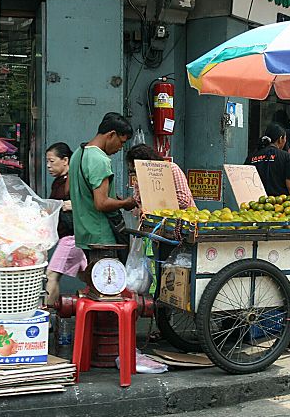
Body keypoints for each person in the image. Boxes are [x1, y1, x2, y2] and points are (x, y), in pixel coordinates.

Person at [69, 112, 137, 254]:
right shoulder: (100, 160)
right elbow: (101, 203)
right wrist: (125, 203)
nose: (120, 148)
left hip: (85, 235)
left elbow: (70, 189)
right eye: (122, 142)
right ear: (111, 134)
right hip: (103, 238)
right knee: (109, 275)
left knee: (93, 275)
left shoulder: (78, 153)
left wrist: (113, 197)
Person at [44, 142, 88, 306]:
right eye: (47, 161)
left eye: (52, 161)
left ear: (65, 160)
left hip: (72, 237)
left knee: (51, 275)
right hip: (69, 236)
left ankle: (46, 317)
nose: (48, 166)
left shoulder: (75, 180)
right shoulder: (58, 182)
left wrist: (76, 205)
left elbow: (94, 201)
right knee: (89, 276)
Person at [126, 143, 195, 210]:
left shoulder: (171, 169)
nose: (135, 174)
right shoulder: (139, 179)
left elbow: (183, 200)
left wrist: (156, 203)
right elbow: (139, 203)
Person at [244, 122, 290, 200]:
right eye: (285, 138)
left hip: (255, 205)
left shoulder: (251, 157)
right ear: (280, 139)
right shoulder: (285, 156)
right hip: (280, 206)